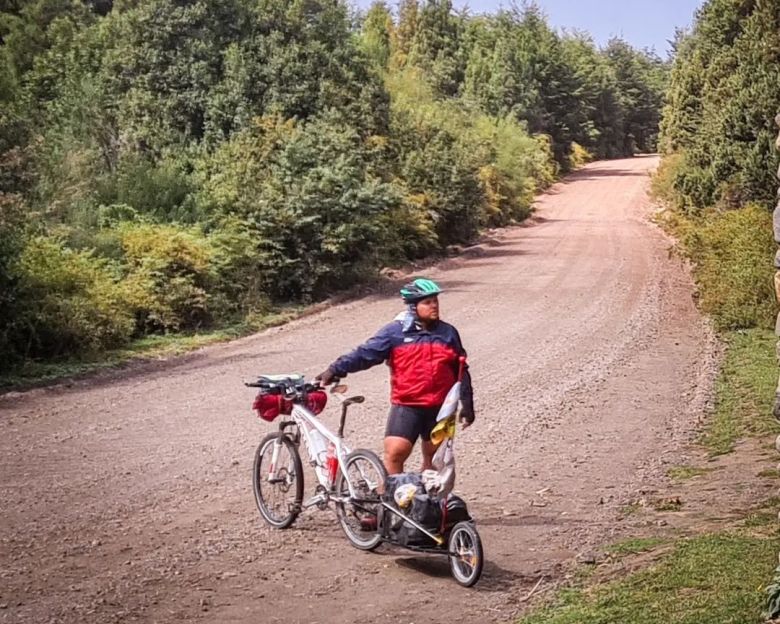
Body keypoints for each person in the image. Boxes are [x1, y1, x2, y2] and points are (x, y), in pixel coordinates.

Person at [317, 278, 475, 475]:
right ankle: (391, 500)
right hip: (407, 406)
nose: (434, 305)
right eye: (427, 302)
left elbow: (460, 369)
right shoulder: (395, 333)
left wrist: (467, 405)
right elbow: (365, 354)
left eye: (435, 300)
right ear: (412, 307)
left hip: (440, 408)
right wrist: (335, 369)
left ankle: (428, 502)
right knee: (395, 453)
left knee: (435, 460)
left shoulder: (448, 333)